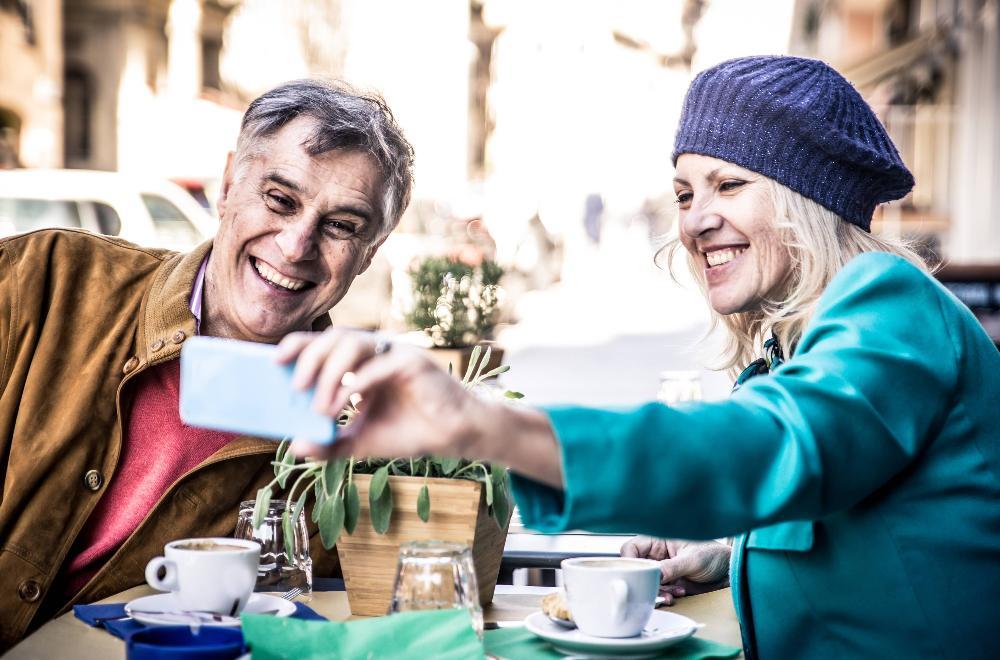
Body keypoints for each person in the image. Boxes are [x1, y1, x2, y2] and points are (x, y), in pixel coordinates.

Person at [281, 57, 1000, 659]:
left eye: (730, 183)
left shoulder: (890, 304)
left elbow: (775, 449)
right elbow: (842, 504)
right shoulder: (799, 347)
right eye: (685, 193)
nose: (694, 220)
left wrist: (479, 425)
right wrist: (726, 557)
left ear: (805, 195)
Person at [0, 79, 413, 650]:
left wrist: (417, 440)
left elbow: (391, 609)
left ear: (369, 253)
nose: (296, 246)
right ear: (227, 187)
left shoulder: (351, 435)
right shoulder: (42, 280)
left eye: (341, 225)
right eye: (280, 200)